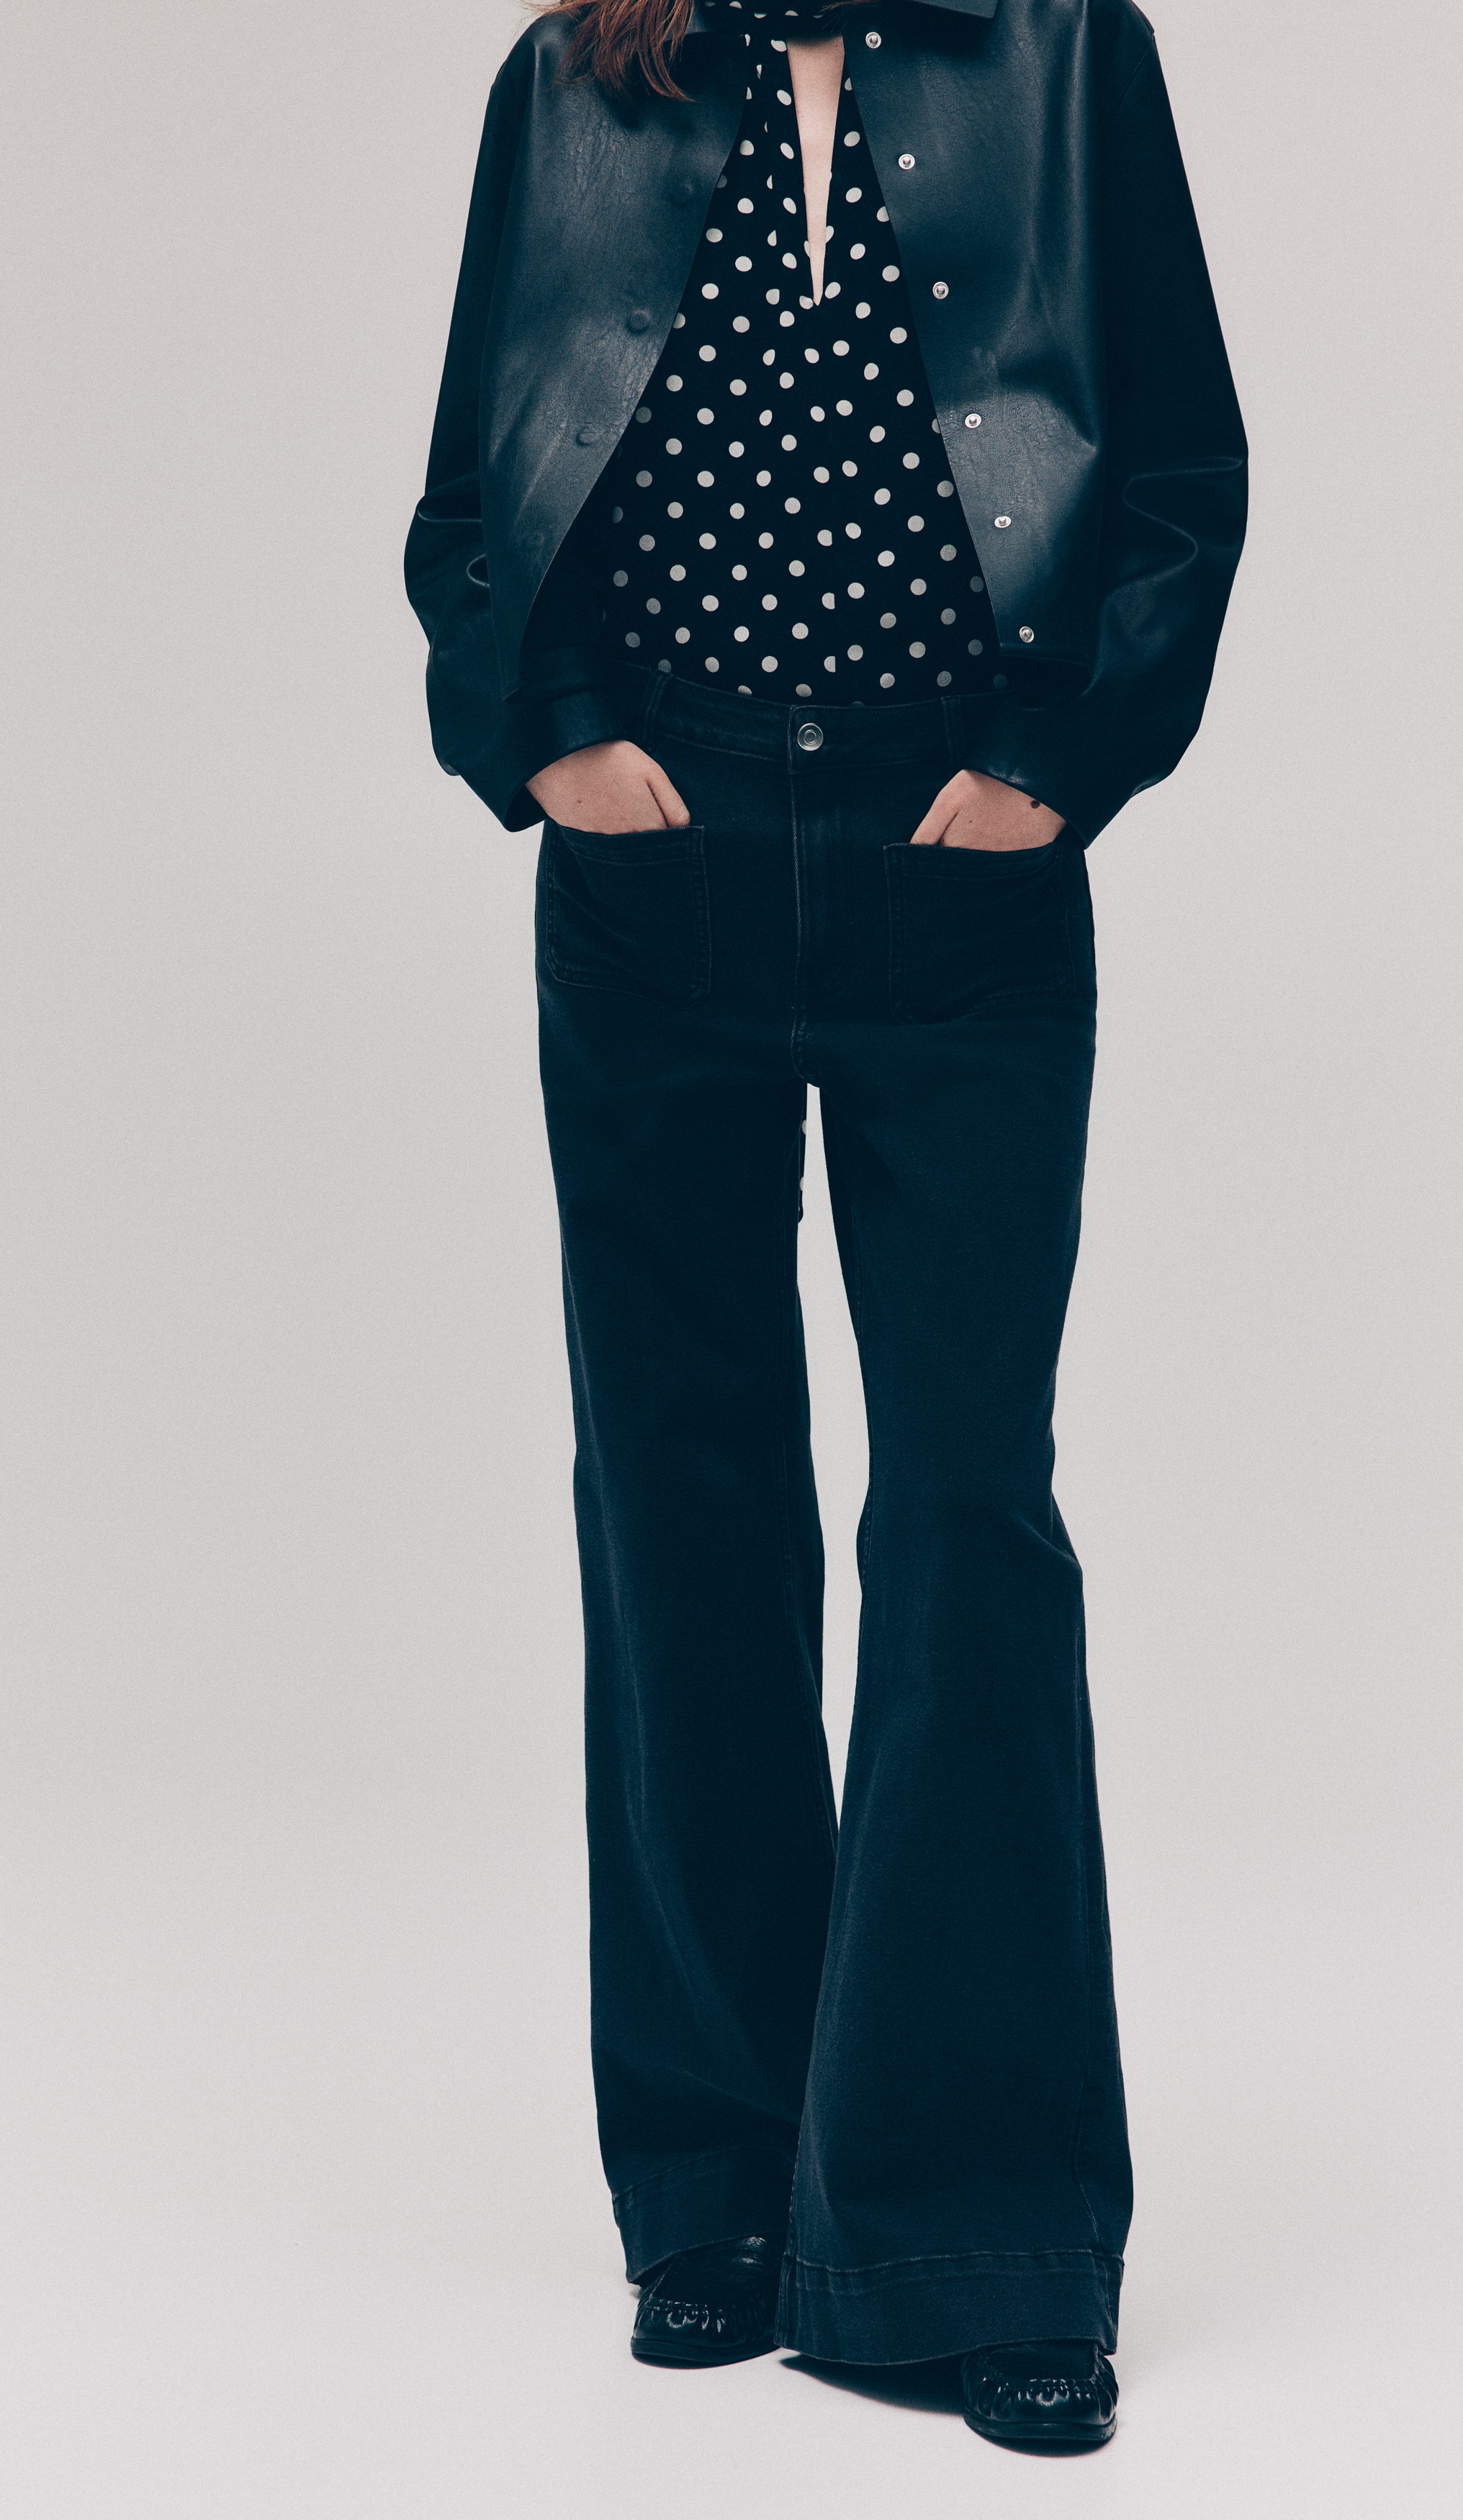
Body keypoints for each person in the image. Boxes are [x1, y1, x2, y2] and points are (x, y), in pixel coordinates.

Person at [406, 0, 1244, 2455]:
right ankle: (721, 2181)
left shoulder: (1068, 55)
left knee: (967, 1508)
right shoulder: (572, 82)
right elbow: (469, 491)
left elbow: (1179, 459)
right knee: (680, 1502)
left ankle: (983, 2229)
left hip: (952, 869)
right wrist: (547, 736)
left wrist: (1058, 760)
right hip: (650, 876)